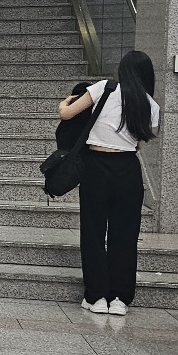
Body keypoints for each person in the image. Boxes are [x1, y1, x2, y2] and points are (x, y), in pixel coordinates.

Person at [58, 51, 158, 316]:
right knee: (124, 235)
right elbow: (140, 144)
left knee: (93, 232)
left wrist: (64, 102)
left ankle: (96, 296)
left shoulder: (105, 87)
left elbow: (67, 114)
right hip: (128, 170)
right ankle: (120, 299)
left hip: (96, 167)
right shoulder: (150, 104)